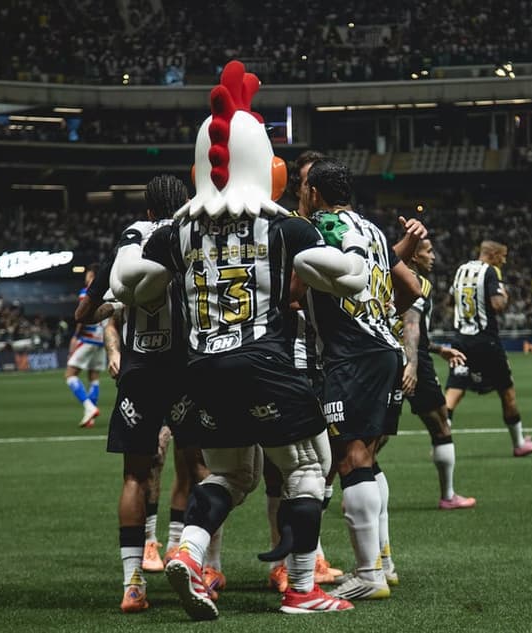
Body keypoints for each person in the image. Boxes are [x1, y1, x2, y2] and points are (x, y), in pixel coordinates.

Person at [111, 61, 370, 619]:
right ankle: (302, 588)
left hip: (202, 368)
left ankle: (189, 551)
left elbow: (126, 283)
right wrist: (345, 251)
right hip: (266, 363)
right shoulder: (283, 226)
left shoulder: (177, 229)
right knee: (306, 471)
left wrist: (133, 253)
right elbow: (350, 277)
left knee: (231, 474)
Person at [84, 174, 218, 613]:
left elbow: (86, 311)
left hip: (141, 370)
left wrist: (117, 305)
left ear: (147, 210)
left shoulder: (132, 240)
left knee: (134, 476)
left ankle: (133, 585)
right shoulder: (195, 236)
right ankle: (197, 565)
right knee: (202, 468)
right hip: (189, 369)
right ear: (186, 204)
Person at [299, 157, 422, 601]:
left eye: (303, 188)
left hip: (351, 354)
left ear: (314, 193)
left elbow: (293, 291)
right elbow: (412, 288)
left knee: (350, 459)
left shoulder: (320, 228)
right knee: (367, 457)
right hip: (383, 348)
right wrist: (379, 317)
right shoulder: (371, 229)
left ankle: (368, 574)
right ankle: (383, 563)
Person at [264, 149, 344, 593]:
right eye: (314, 181)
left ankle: (309, 553)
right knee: (283, 468)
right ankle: (286, 562)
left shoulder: (327, 229)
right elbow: (290, 294)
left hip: (320, 354)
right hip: (288, 353)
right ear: (303, 187)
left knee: (320, 462)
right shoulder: (287, 228)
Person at [392, 237, 476, 509]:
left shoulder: (386, 278)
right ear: (414, 256)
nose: (433, 256)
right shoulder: (417, 281)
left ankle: (342, 487)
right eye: (428, 251)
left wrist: (439, 349)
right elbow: (410, 325)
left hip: (385, 356)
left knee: (374, 434)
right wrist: (413, 365)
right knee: (441, 425)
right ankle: (448, 496)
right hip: (412, 360)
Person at [445, 240, 532, 457]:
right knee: (507, 392)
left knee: (453, 393)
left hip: (461, 340)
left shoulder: (461, 270)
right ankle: (519, 444)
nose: (504, 261)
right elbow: (498, 304)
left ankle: (440, 442)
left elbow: (449, 302)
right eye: (502, 256)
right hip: (486, 341)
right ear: (492, 254)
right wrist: (504, 295)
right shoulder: (490, 272)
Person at [66, 265, 106, 428]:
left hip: (87, 339)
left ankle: (89, 407)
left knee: (70, 375)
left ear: (92, 276)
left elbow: (82, 316)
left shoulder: (87, 292)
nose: (86, 278)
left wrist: (75, 337)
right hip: (101, 341)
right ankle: (90, 418)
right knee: (94, 378)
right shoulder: (106, 292)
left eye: (88, 275)